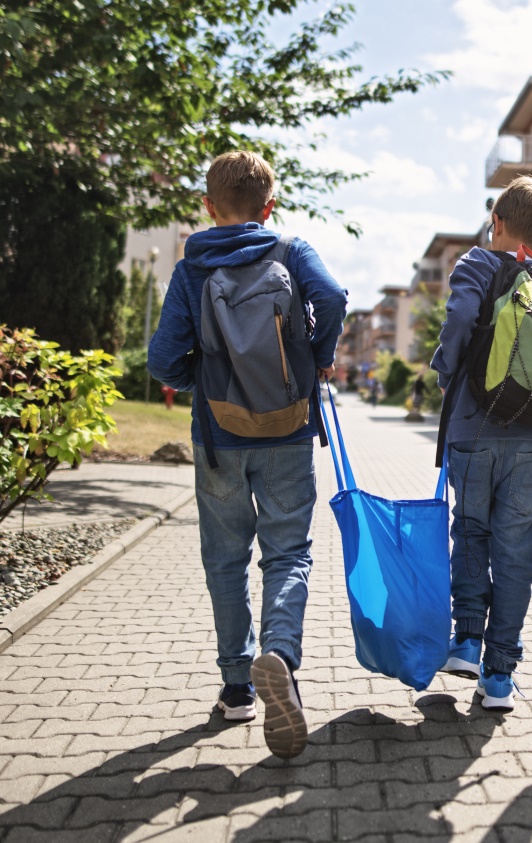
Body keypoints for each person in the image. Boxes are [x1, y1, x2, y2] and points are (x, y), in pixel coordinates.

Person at [147, 151, 347, 759]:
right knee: (288, 553)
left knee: (225, 561)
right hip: (287, 429)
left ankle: (237, 690)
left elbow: (161, 360)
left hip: (219, 438)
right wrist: (315, 359)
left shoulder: (192, 266)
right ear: (270, 205)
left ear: (208, 206)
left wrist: (203, 378)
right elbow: (334, 297)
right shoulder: (292, 249)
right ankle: (280, 655)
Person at [431, 175, 532, 711]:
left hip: (473, 428)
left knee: (470, 530)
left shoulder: (478, 264)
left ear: (497, 222)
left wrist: (448, 372)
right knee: (517, 553)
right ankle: (499, 676)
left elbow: (462, 318)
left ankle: (466, 640)